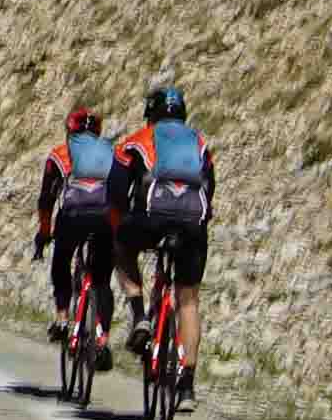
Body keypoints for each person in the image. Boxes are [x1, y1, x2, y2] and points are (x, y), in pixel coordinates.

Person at [114, 83, 218, 384]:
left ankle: (140, 316)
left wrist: (124, 216)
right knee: (188, 301)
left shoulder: (139, 140)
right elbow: (209, 188)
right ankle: (187, 382)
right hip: (192, 226)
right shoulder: (199, 142)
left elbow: (117, 189)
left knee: (121, 250)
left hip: (152, 220)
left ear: (150, 113)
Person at [34, 97, 126, 367]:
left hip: (72, 217)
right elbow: (122, 193)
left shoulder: (60, 154)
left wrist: (44, 231)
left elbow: (46, 199)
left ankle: (62, 318)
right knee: (101, 281)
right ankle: (102, 339)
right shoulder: (112, 152)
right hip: (105, 220)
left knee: (61, 262)